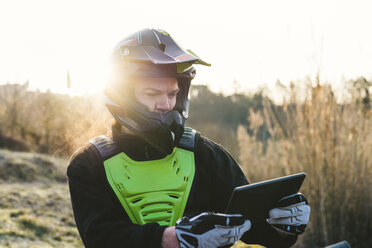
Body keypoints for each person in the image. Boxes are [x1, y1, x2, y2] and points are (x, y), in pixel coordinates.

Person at [67, 28, 310, 248]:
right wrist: (174, 238)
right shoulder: (89, 164)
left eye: (173, 94)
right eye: (152, 93)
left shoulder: (205, 154)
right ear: (122, 94)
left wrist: (282, 226)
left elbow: (250, 226)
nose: (166, 104)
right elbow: (100, 238)